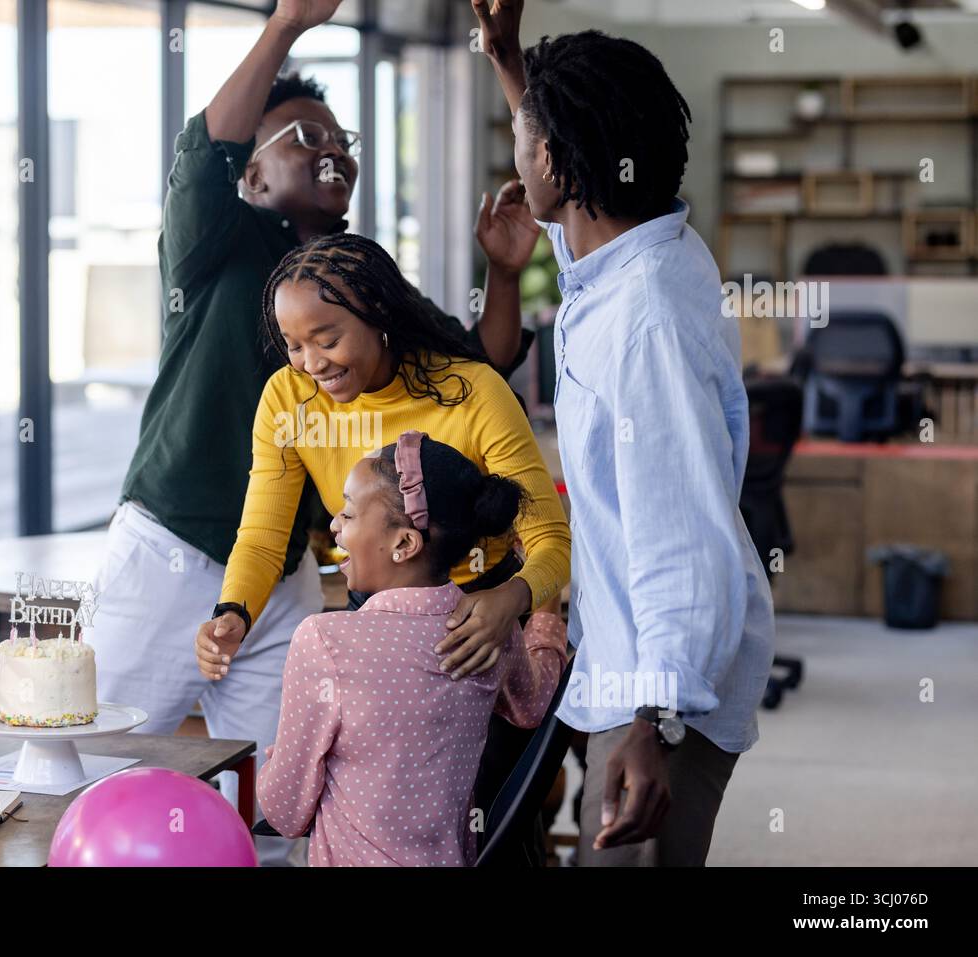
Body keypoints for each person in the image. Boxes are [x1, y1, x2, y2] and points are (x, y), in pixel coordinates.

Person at [86, 0, 539, 866]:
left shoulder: (360, 279)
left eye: (343, 142)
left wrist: (501, 272)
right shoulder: (213, 244)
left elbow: (479, 359)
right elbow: (202, 156)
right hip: (166, 552)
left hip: (281, 573)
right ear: (252, 175)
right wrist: (287, 24)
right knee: (97, 771)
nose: (333, 150)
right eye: (303, 136)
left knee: (277, 797)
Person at [471, 0, 775, 866]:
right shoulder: (637, 251)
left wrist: (655, 722)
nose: (518, 157)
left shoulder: (644, 322)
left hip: (661, 687)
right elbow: (572, 216)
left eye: (527, 142)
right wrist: (510, 67)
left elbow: (678, 535)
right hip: (633, 665)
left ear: (560, 165)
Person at [194, 233, 571, 816]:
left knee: (487, 815)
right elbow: (264, 533)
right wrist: (233, 612)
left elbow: (552, 539)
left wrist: (509, 600)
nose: (311, 363)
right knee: (377, 806)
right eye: (293, 344)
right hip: (375, 625)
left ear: (380, 316)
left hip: (483, 622)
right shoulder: (288, 400)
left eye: (328, 339)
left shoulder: (471, 392)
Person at [256, 432, 568, 865]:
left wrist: (282, 764)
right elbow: (533, 704)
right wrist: (545, 611)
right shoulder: (492, 631)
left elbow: (285, 812)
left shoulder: (325, 641)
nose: (333, 524)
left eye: (348, 512)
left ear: (404, 544)